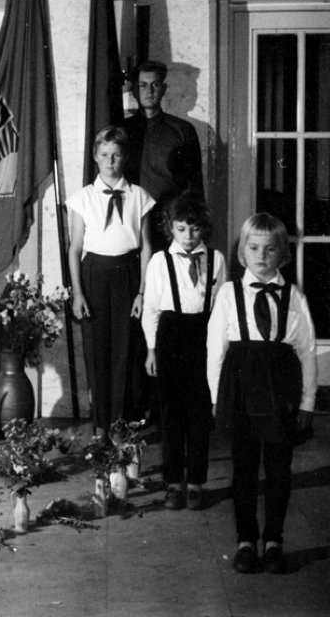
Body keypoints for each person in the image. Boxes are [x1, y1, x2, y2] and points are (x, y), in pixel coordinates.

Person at [207, 213, 316, 575]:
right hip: (240, 390)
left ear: (282, 254)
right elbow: (215, 351)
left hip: (281, 391)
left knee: (279, 469)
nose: (261, 256)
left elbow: (306, 352)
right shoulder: (229, 293)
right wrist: (216, 399)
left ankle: (273, 542)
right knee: (244, 468)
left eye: (270, 250)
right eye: (254, 248)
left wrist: (307, 402)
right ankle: (246, 541)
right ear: (243, 251)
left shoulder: (294, 296)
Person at [67, 125, 155, 434]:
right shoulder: (82, 198)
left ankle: (119, 426)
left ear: (125, 158)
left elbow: (146, 248)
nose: (110, 161)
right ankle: (100, 428)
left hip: (128, 274)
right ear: (95, 157)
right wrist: (78, 293)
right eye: (104, 155)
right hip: (94, 274)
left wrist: (142, 292)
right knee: (97, 350)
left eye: (116, 155)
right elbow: (75, 248)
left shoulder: (139, 196)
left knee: (125, 352)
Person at [142, 192, 226, 511]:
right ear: (170, 229)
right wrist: (151, 349)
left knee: (200, 413)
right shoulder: (159, 262)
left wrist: (220, 351)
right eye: (181, 229)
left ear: (204, 227)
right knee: (171, 414)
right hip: (170, 337)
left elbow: (222, 308)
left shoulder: (216, 259)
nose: (188, 236)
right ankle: (174, 483)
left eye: (194, 228)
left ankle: (196, 484)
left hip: (204, 336)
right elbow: (151, 309)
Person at [124, 60, 205, 245]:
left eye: (155, 85)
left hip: (169, 223)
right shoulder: (122, 130)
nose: (149, 91)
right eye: (143, 85)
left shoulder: (182, 130)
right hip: (130, 221)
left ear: (164, 89)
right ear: (135, 90)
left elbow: (194, 186)